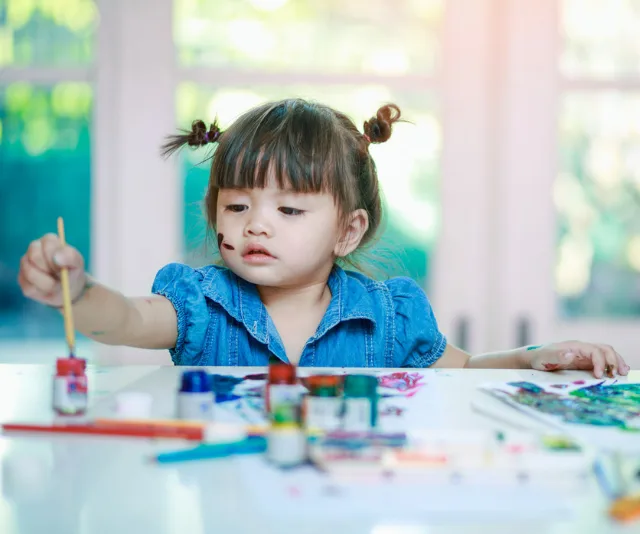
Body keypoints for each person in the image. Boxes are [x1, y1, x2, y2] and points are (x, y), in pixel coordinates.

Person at [18, 98, 629, 377]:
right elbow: (121, 320)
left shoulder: (387, 315)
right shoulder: (200, 304)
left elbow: (464, 372)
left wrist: (530, 357)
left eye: (289, 209)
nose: (255, 223)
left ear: (348, 230)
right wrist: (78, 290)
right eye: (236, 205)